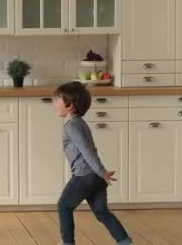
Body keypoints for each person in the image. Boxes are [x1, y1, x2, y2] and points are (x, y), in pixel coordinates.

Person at [54, 81, 133, 245]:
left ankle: (67, 243)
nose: (55, 103)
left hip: (85, 176)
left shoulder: (72, 127)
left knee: (64, 206)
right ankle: (124, 241)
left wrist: (101, 170)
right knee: (102, 212)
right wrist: (100, 173)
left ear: (70, 105)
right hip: (96, 177)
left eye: (58, 100)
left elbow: (86, 150)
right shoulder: (79, 123)